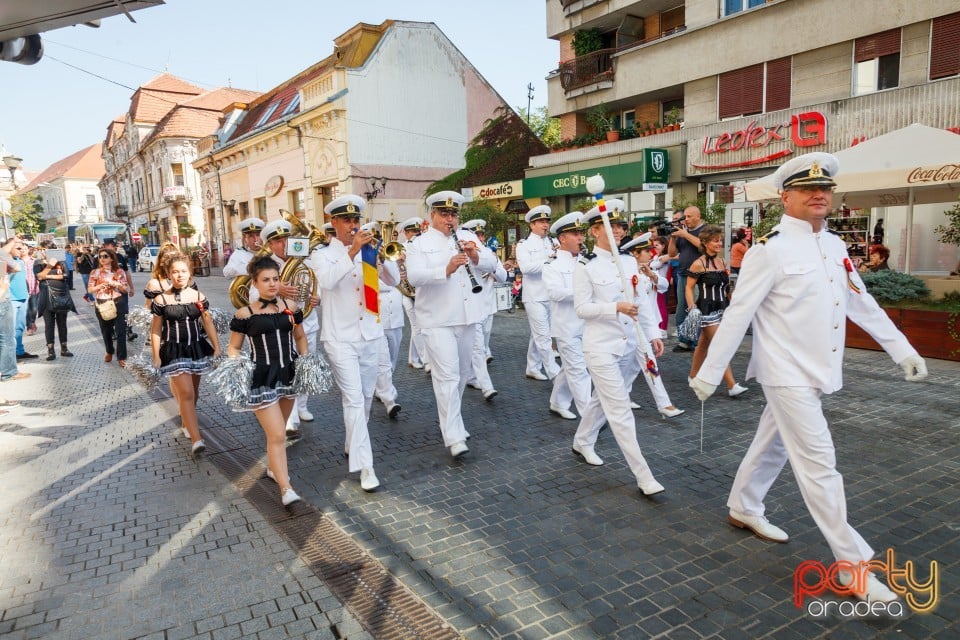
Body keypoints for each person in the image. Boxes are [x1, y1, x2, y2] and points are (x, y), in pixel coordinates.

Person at [690, 152, 929, 604]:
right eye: (806, 189)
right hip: (785, 374)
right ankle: (851, 566)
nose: (819, 194)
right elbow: (739, 313)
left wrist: (903, 349)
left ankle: (743, 506)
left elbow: (860, 304)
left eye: (825, 189)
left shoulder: (836, 246)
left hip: (818, 369)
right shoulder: (769, 250)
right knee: (821, 466)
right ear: (786, 197)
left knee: (772, 443)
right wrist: (707, 372)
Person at [571, 205, 666, 496]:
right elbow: (582, 308)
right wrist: (615, 307)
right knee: (620, 408)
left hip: (630, 343)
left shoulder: (627, 262)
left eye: (620, 226)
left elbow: (642, 301)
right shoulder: (585, 265)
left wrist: (652, 334)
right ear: (594, 231)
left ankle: (582, 440)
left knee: (605, 398)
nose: (617, 231)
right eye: (609, 226)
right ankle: (644, 476)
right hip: (600, 347)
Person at [314, 206, 400, 492]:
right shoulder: (322, 254)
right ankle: (366, 466)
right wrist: (352, 252)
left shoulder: (369, 250)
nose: (353, 225)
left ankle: (353, 442)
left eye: (356, 220)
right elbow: (327, 281)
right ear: (333, 222)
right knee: (352, 399)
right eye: (347, 220)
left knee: (363, 398)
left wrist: (379, 258)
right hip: (340, 338)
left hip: (370, 334)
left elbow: (395, 281)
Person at [405, 190, 497, 458]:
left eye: (454, 214)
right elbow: (414, 277)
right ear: (432, 215)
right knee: (446, 377)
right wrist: (445, 269)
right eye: (444, 214)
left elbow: (494, 262)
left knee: (462, 374)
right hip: (437, 320)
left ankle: (452, 421)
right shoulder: (418, 244)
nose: (450, 219)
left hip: (467, 317)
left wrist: (476, 257)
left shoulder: (467, 237)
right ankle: (454, 435)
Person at [227, 256, 308, 505]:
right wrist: (238, 368)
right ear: (255, 283)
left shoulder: (290, 307)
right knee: (276, 435)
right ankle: (286, 489)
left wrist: (306, 361)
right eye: (266, 280)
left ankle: (275, 468)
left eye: (275, 279)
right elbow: (234, 347)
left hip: (289, 375)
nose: (272, 284)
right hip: (261, 378)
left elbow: (300, 337)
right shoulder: (245, 313)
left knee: (278, 433)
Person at [150, 253, 220, 455]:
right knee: (187, 393)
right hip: (174, 350)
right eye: (175, 272)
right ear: (168, 274)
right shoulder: (162, 299)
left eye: (183, 271)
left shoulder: (198, 297)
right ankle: (197, 440)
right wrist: (156, 355)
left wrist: (217, 346)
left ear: (190, 273)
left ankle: (185, 422)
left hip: (196, 347)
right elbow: (155, 330)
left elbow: (207, 321)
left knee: (193, 393)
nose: (179, 275)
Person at [621, 233, 685, 418]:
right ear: (635, 254)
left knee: (636, 366)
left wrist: (652, 276)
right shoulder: (627, 273)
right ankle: (663, 403)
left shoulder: (650, 271)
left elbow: (664, 286)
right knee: (645, 363)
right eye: (647, 251)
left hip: (646, 324)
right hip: (632, 325)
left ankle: (626, 396)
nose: (652, 253)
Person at [684, 225, 748, 397]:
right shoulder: (698, 264)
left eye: (720, 240)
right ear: (705, 243)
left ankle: (692, 376)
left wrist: (733, 302)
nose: (719, 243)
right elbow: (688, 288)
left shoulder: (722, 262)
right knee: (721, 345)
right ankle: (732, 385)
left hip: (722, 308)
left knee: (704, 343)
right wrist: (692, 307)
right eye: (715, 240)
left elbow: (726, 287)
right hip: (706, 310)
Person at [543, 211, 590, 420]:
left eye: (581, 233)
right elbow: (555, 293)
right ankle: (590, 416)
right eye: (575, 234)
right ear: (562, 238)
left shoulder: (587, 262)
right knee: (579, 370)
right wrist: (583, 292)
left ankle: (557, 402)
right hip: (566, 327)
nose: (581, 237)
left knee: (571, 368)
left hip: (587, 324)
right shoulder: (552, 265)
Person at [516, 205, 560, 381]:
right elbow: (526, 268)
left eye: (547, 221)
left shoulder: (553, 242)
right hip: (534, 296)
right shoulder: (524, 245)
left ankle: (532, 367)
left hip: (551, 295)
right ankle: (554, 373)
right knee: (543, 336)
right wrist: (549, 260)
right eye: (541, 221)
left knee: (539, 333)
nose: (545, 225)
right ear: (532, 225)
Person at [667, 205, 706, 351]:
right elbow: (671, 254)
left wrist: (686, 235)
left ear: (698, 216)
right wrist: (672, 238)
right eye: (686, 217)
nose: (687, 220)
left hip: (699, 277)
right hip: (682, 274)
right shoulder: (683, 232)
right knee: (681, 309)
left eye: (689, 216)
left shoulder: (704, 230)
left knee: (695, 308)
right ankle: (684, 340)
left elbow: (704, 247)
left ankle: (697, 342)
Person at [88, 247, 130, 367]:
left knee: (120, 330)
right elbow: (90, 290)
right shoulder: (95, 272)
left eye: (105, 256)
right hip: (102, 303)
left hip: (117, 301)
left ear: (111, 258)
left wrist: (116, 284)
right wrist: (100, 286)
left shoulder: (119, 271)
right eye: (100, 257)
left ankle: (122, 357)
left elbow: (125, 289)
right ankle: (109, 351)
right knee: (106, 330)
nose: (102, 259)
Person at [397, 217, 428, 370]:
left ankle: (412, 357)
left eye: (418, 231)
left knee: (419, 325)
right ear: (406, 233)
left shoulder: (422, 247)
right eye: (414, 231)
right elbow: (392, 270)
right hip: (407, 292)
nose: (417, 234)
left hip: (421, 291)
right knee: (417, 326)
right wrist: (400, 263)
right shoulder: (400, 248)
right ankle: (426, 360)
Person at [35, 253, 77, 360]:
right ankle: (51, 350)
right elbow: (39, 276)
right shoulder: (38, 263)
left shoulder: (61, 262)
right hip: (46, 298)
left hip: (61, 296)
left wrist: (47, 276)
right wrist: (49, 266)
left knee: (62, 324)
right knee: (49, 325)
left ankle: (64, 348)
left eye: (48, 250)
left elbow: (66, 275)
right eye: (43, 250)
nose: (45, 252)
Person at [0, 238, 30, 382]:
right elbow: (16, 268)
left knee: (7, 337)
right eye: (17, 247)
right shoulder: (2, 256)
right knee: (6, 339)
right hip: (3, 300)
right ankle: (9, 372)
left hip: (6, 299)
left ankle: (8, 368)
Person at [103, 238, 137, 342]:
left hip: (122, 291)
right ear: (106, 246)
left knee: (125, 311)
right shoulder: (100, 258)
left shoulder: (120, 257)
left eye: (115, 245)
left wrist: (131, 287)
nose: (115, 247)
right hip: (108, 292)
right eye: (112, 245)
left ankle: (128, 331)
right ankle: (112, 332)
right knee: (111, 312)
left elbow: (127, 273)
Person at [222, 218, 265, 283]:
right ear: (245, 239)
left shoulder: (270, 252)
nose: (256, 239)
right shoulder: (239, 253)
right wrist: (249, 268)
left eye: (258, 235)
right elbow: (227, 273)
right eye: (251, 236)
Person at [651, 236, 670, 339]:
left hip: (662, 284)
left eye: (657, 245)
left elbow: (655, 265)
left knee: (662, 307)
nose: (655, 248)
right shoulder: (657, 256)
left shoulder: (664, 257)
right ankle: (658, 327)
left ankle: (663, 329)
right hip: (656, 284)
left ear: (663, 245)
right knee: (657, 306)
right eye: (654, 246)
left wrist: (650, 263)